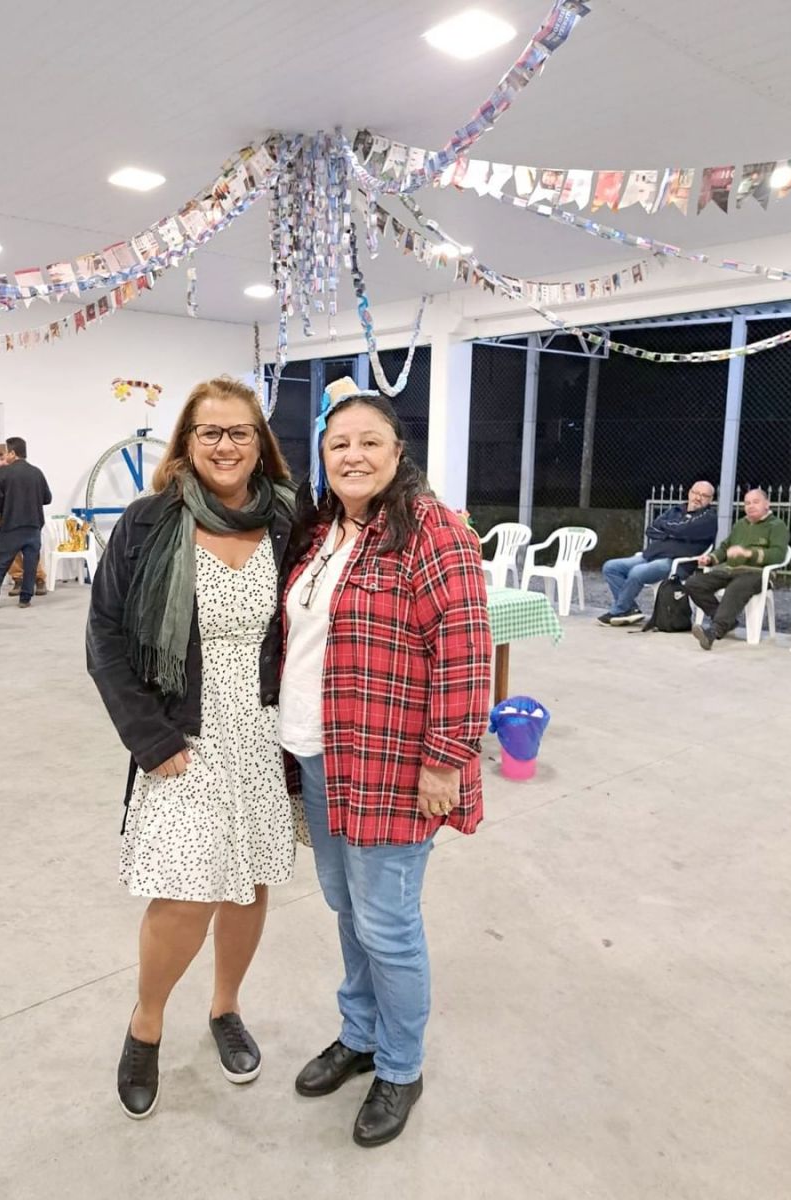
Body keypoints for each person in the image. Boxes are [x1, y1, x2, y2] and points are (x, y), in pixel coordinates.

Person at [279, 378, 491, 1149]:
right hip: (319, 753)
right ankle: (360, 1035)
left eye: (370, 441)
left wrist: (446, 761)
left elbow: (465, 651)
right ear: (323, 457)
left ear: (398, 453)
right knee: (347, 908)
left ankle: (401, 1066)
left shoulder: (431, 531)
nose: (354, 455)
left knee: (388, 925)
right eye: (339, 444)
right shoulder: (322, 531)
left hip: (393, 764)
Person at [86, 375, 297, 1121]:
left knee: (248, 882)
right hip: (184, 735)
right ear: (187, 442)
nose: (226, 445)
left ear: (260, 444)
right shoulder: (148, 522)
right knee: (184, 893)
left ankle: (225, 1007)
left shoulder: (287, 520)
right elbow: (104, 637)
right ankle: (146, 1025)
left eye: (240, 432)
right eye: (211, 432)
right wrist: (150, 737)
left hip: (263, 735)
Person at [598, 481, 716, 625]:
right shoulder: (676, 510)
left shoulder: (709, 518)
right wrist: (676, 532)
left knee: (637, 572)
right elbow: (652, 529)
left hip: (675, 563)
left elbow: (682, 530)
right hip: (651, 555)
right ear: (689, 492)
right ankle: (629, 609)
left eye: (704, 495)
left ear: (710, 499)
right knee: (611, 567)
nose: (698, 498)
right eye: (696, 493)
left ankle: (619, 610)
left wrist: (668, 530)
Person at [685, 488, 790, 650]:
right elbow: (725, 548)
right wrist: (710, 559)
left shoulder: (777, 525)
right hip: (730, 571)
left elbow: (778, 555)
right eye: (747, 503)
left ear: (766, 504)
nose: (751, 506)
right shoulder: (740, 524)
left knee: (736, 587)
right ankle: (729, 622)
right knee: (694, 583)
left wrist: (749, 553)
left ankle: (714, 631)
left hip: (757, 574)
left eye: (755, 502)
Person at [0, 436, 52, 609]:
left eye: (6, 452)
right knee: (31, 564)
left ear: (13, 453)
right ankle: (25, 599)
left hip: (11, 526)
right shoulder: (37, 472)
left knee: (0, 563)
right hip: (34, 526)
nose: (4, 456)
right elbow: (47, 498)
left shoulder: (3, 473)